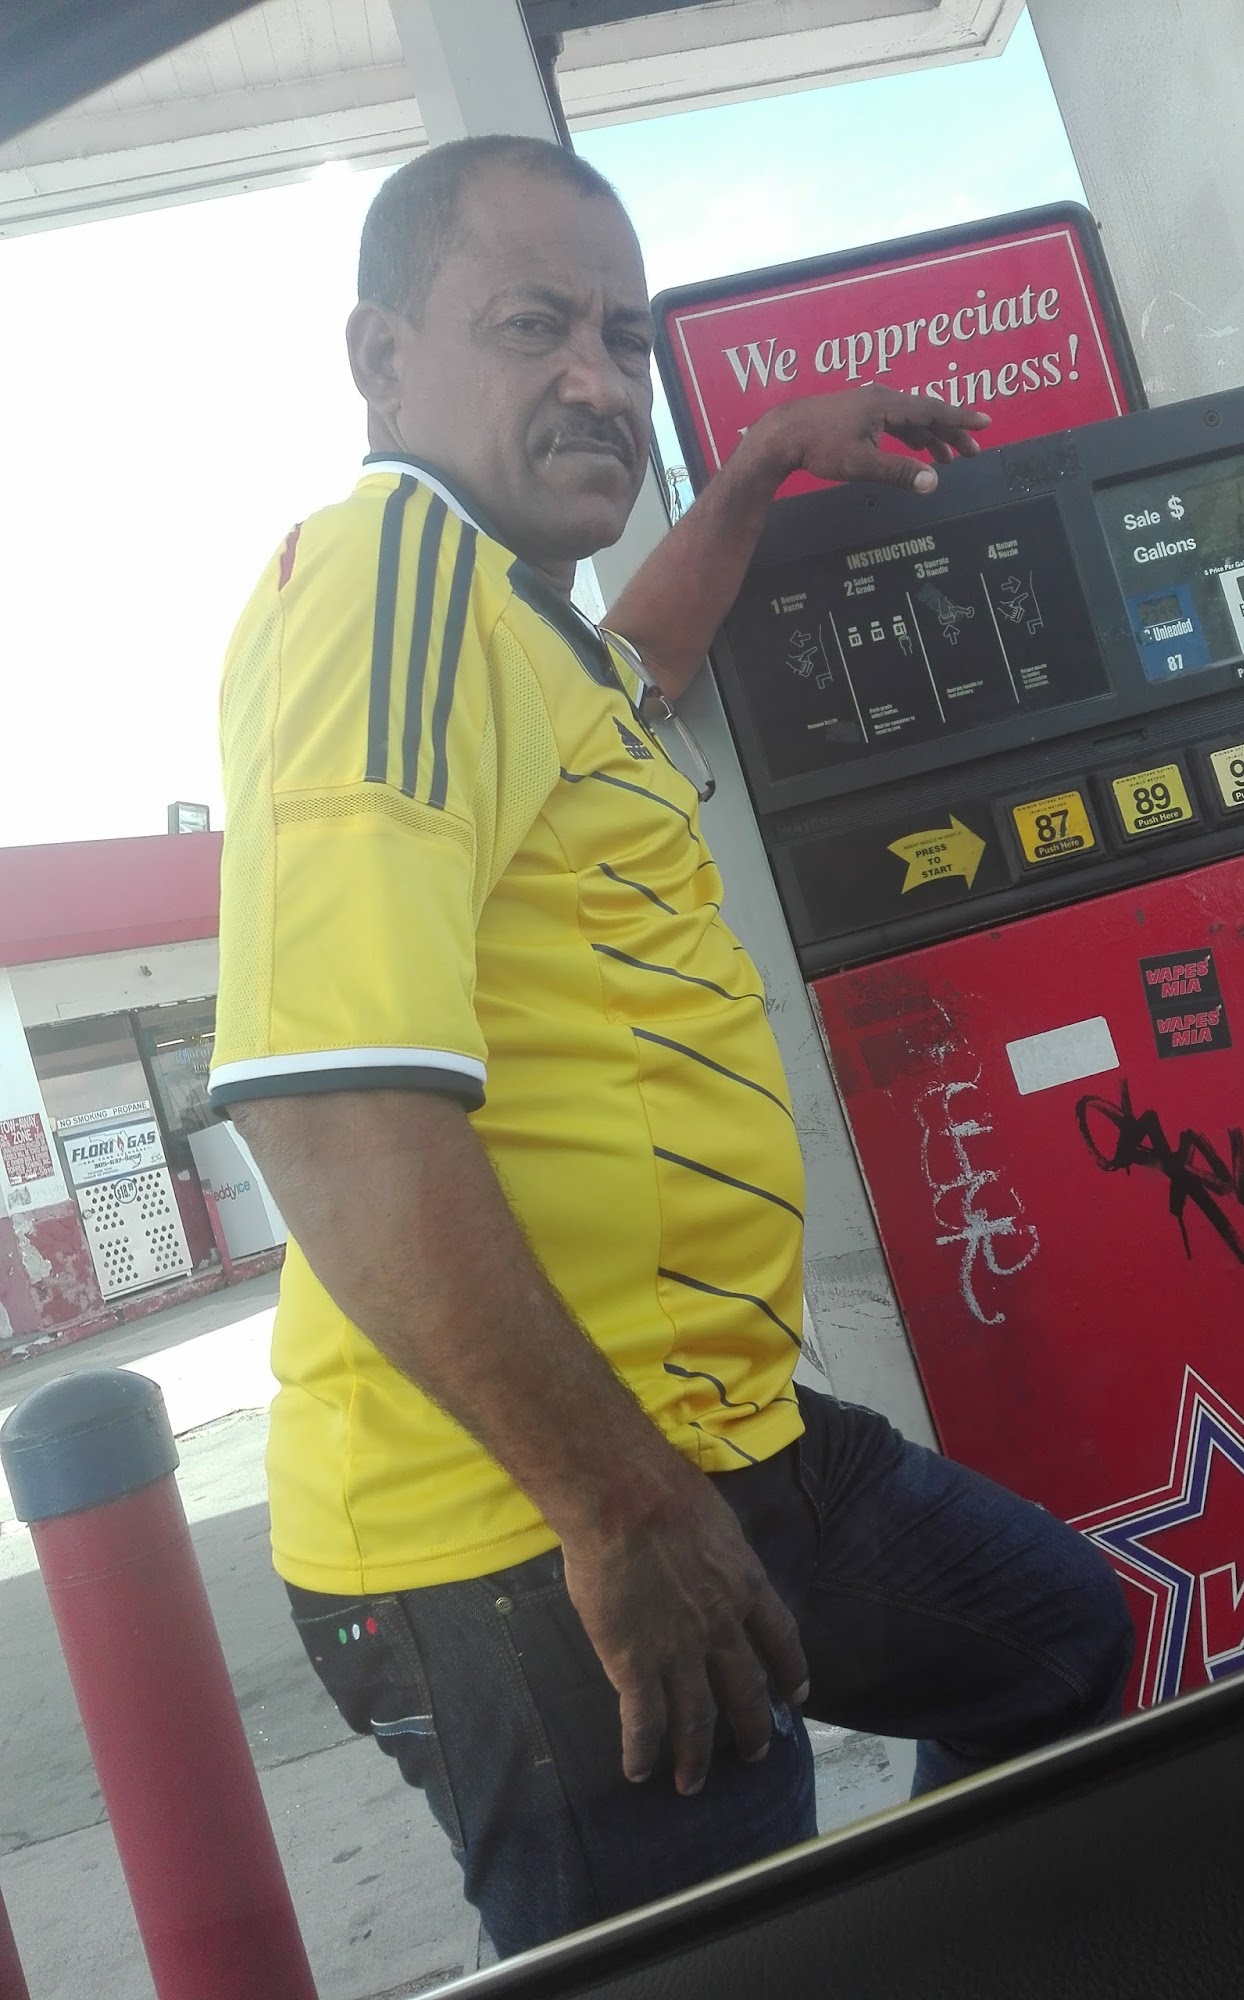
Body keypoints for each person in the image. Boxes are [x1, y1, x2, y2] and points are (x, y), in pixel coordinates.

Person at [208, 134, 1133, 1959]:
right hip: (525, 1524)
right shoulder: (388, 579)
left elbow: (640, 665)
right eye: (533, 325)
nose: (597, 379)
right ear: (382, 360)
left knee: (1054, 1644)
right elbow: (329, 1107)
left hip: (717, 1435)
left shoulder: (522, 632)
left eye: (625, 341)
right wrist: (620, 1509)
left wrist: (765, 462)